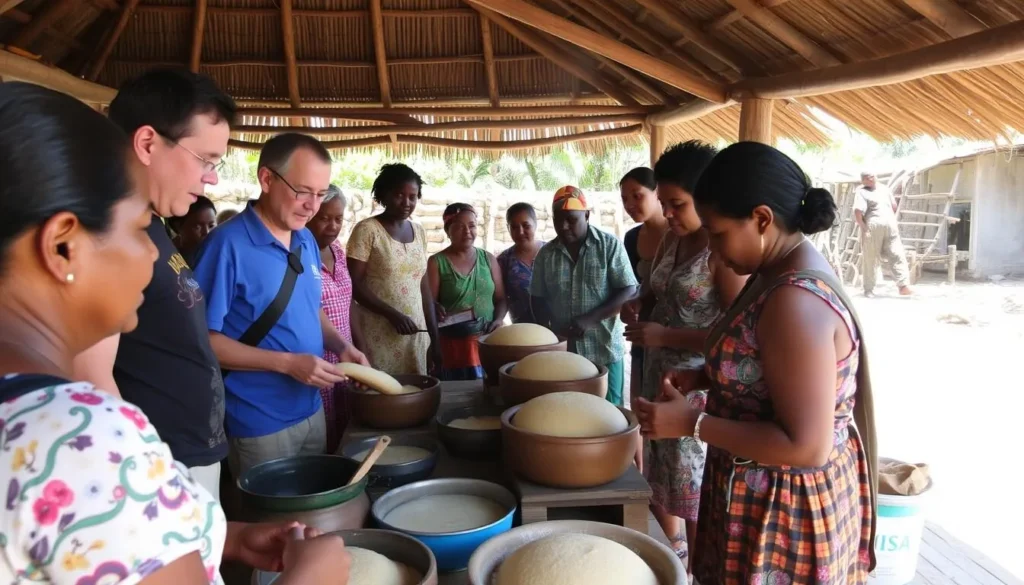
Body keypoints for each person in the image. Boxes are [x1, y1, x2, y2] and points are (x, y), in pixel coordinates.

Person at [0, 81, 351, 585]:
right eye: (136, 228)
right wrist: (312, 578)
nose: (150, 255)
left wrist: (219, 536)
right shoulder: (81, 438)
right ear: (62, 247)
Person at [635, 142, 877, 585]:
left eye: (719, 231)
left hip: (783, 514)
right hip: (753, 496)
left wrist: (693, 424)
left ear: (762, 219)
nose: (711, 244)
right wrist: (707, 375)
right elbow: (766, 365)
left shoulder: (793, 300)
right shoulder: (773, 272)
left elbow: (807, 447)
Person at [71, 68, 235, 498]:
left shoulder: (152, 223)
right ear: (147, 143)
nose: (212, 177)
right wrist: (149, 484)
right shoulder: (104, 233)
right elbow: (92, 381)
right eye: (206, 160)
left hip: (184, 455)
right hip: (154, 471)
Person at [193, 133, 368, 476]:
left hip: (309, 408)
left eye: (320, 194)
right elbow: (203, 341)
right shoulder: (226, 247)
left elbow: (308, 307)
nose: (312, 205)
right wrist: (288, 364)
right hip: (259, 421)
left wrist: (341, 345)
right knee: (273, 524)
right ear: (267, 179)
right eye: (302, 191)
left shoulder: (304, 238)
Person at [623, 141, 746, 570]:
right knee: (663, 483)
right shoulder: (671, 243)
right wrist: (639, 304)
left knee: (695, 495)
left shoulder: (723, 253)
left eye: (678, 204)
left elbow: (734, 338)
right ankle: (679, 557)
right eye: (665, 204)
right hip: (660, 377)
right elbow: (655, 290)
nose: (669, 214)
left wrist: (665, 333)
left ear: (707, 199)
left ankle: (699, 569)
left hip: (698, 388)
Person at [531, 186, 638, 406]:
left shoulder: (609, 246)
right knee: (569, 409)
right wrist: (549, 336)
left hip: (604, 349)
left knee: (610, 413)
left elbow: (628, 289)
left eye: (571, 219)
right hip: (563, 353)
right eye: (558, 219)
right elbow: (537, 298)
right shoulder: (546, 254)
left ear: (587, 215)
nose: (563, 226)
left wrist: (589, 319)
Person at [347, 164, 440, 375]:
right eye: (399, 195)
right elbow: (353, 284)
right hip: (378, 334)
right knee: (383, 396)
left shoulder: (419, 232)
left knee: (415, 396)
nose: (406, 202)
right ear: (384, 195)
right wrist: (392, 315)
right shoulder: (367, 230)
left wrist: (434, 338)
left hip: (415, 335)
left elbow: (423, 288)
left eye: (412, 196)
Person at [307, 184, 365, 454]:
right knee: (322, 438)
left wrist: (357, 346)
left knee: (347, 430)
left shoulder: (338, 251)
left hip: (344, 357)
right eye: (324, 218)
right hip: (315, 362)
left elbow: (348, 301)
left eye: (338, 218)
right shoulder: (298, 255)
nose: (332, 226)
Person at [427, 203, 508, 380]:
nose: (467, 231)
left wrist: (498, 319)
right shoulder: (436, 262)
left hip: (487, 342)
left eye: (471, 226)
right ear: (448, 231)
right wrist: (434, 307)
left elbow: (501, 299)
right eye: (459, 227)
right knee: (457, 395)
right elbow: (429, 305)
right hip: (453, 346)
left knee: (488, 391)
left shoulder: (488, 259)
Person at [619, 167, 669, 408]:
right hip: (643, 330)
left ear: (656, 192)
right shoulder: (631, 239)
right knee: (640, 404)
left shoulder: (681, 235)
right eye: (624, 199)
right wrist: (631, 305)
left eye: (637, 195)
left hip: (675, 335)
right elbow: (634, 287)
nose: (629, 204)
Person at [855, 171, 912, 297]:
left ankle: (903, 286)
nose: (869, 179)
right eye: (866, 178)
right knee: (871, 258)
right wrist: (864, 228)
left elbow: (893, 206)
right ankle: (869, 289)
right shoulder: (862, 191)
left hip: (888, 225)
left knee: (897, 253)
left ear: (875, 177)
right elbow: (858, 211)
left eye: (871, 176)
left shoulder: (884, 189)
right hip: (875, 225)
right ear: (863, 180)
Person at [497, 202, 545, 324]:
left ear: (535, 224)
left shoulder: (552, 253)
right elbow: (501, 299)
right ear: (508, 229)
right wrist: (498, 320)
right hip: (522, 333)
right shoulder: (504, 261)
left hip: (555, 331)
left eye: (526, 226)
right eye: (514, 227)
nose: (520, 232)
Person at [169, 195, 218, 267]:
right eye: (197, 227)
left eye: (211, 226)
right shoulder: (167, 257)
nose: (206, 232)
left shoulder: (221, 256)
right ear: (178, 226)